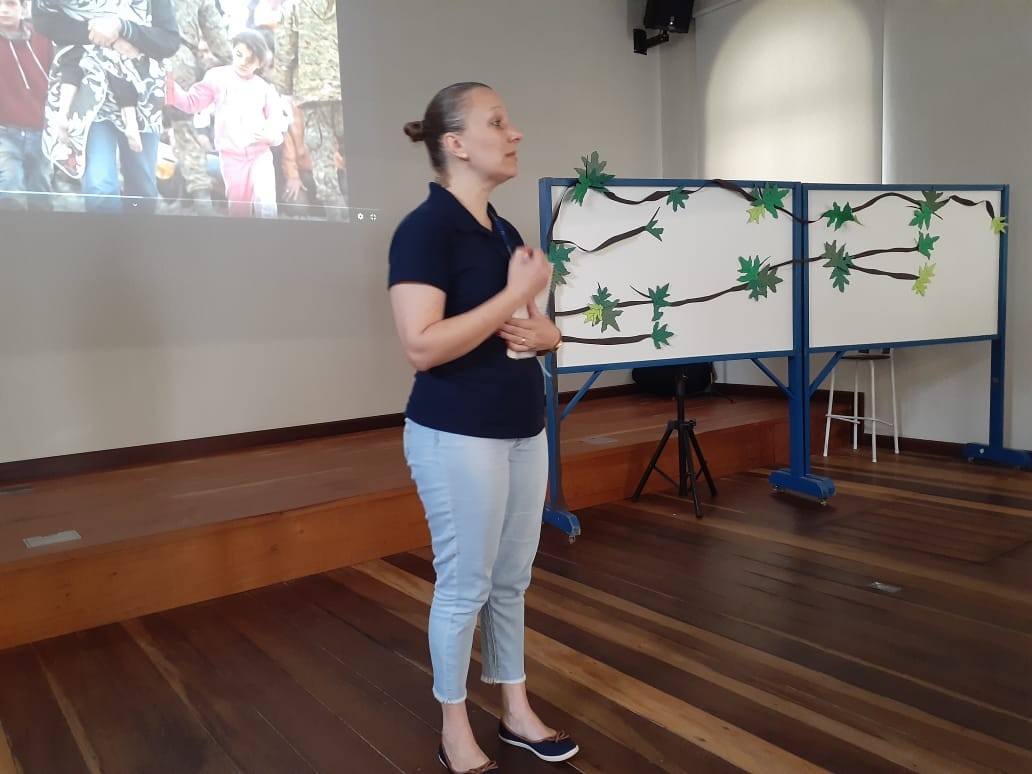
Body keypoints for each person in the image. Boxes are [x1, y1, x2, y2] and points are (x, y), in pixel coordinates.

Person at [388, 82, 576, 774]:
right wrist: (518, 294)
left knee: (511, 580)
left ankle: (516, 711)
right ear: (456, 144)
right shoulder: (424, 230)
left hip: (523, 426)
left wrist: (549, 332)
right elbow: (422, 345)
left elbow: (524, 328)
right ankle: (454, 729)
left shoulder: (503, 232)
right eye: (497, 122)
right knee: (466, 582)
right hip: (456, 434)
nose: (514, 132)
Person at [32, 0, 180, 213]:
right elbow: (43, 20)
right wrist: (101, 34)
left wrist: (122, 27)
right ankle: (104, 234)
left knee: (143, 190)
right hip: (87, 92)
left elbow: (169, 40)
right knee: (100, 186)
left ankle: (139, 233)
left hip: (141, 98)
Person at [165, 28, 285, 218]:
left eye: (251, 59)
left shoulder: (265, 89)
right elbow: (191, 103)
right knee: (239, 208)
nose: (243, 62)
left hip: (260, 155)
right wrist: (168, 82)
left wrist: (273, 136)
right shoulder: (217, 77)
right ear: (232, 51)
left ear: (260, 63)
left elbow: (277, 119)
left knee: (266, 203)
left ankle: (269, 236)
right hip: (231, 157)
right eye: (239, 54)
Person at [271, 0, 346, 219]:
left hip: (314, 90)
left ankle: (337, 216)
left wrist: (283, 90)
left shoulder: (293, 6)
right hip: (351, 88)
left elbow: (285, 51)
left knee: (321, 153)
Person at [165, 0, 231, 213]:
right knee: (184, 129)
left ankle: (135, 193)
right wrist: (234, 63)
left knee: (136, 126)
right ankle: (202, 199)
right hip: (178, 55)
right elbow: (214, 28)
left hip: (134, 52)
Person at [0, 0, 54, 210]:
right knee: (10, 192)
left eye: (11, 4)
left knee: (41, 196)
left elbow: (58, 78)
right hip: (4, 133)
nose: (3, 9)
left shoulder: (43, 39)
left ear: (23, 9)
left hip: (41, 132)